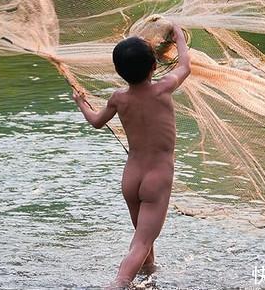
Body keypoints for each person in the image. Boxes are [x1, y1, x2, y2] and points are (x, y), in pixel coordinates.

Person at [72, 24, 191, 288]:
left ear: (119, 71)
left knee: (143, 236)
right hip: (156, 178)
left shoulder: (118, 99)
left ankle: (150, 276)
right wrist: (179, 36)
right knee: (142, 241)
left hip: (132, 177)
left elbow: (96, 122)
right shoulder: (163, 89)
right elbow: (185, 67)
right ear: (153, 67)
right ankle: (120, 283)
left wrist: (81, 102)